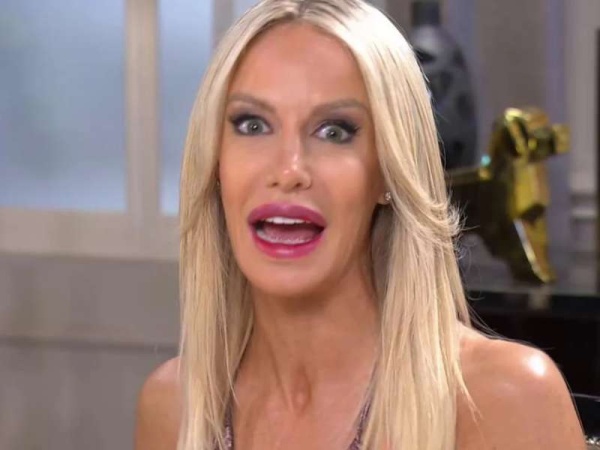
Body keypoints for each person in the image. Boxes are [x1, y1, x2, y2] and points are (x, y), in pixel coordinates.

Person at [135, 1, 586, 449]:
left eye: (334, 131)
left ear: (389, 171)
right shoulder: (173, 409)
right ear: (216, 162)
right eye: (253, 125)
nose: (289, 170)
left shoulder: (504, 400)